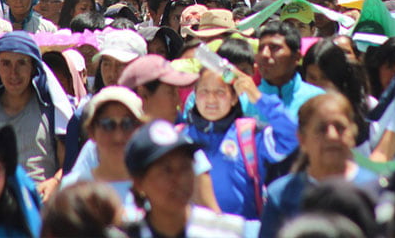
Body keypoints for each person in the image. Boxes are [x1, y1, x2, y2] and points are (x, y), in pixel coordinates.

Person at [183, 64, 298, 220]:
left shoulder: (249, 134)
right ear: (194, 96)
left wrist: (257, 96)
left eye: (220, 92)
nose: (211, 99)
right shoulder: (179, 138)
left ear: (234, 98)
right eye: (204, 92)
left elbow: (293, 135)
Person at [259, 92, 377, 238]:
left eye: (340, 127)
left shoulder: (374, 189)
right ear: (302, 140)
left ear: (353, 134)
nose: (332, 136)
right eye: (321, 129)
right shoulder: (281, 195)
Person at [0, 31, 67, 199]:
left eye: (21, 63)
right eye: (6, 63)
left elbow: (70, 164)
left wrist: (55, 182)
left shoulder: (53, 110)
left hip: (40, 208)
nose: (13, 73)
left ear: (33, 67)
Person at [122, 121, 247, 238]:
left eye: (185, 167)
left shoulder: (226, 232)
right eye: (166, 170)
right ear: (139, 183)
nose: (179, 178)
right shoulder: (124, 234)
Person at [255, 20, 325, 116]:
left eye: (274, 48)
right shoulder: (245, 102)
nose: (264, 54)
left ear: (296, 56)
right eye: (261, 48)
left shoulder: (318, 101)